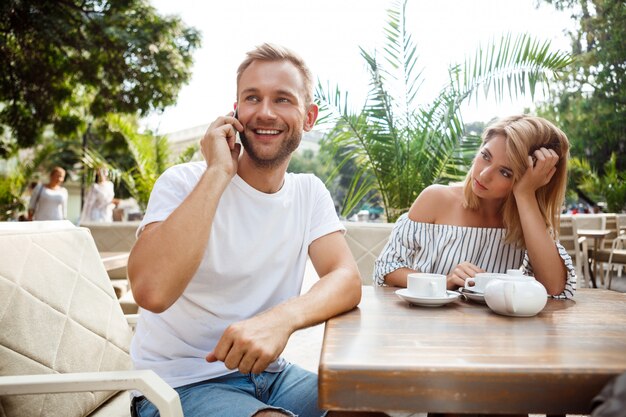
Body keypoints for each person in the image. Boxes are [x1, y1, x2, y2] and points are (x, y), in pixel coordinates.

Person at [127, 44, 377, 417]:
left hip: (272, 377)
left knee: (368, 409)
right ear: (236, 112)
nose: (264, 112)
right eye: (252, 98)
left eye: (282, 99)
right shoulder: (182, 183)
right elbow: (152, 291)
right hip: (176, 385)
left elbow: (345, 278)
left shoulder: (309, 192)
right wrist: (217, 173)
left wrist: (281, 320)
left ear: (308, 117)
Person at [374, 115, 576, 299]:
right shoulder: (436, 198)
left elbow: (554, 287)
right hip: (430, 327)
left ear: (529, 178)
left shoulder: (527, 218)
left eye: (505, 172)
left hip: (499, 333)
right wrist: (446, 280)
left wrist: (524, 194)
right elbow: (388, 268)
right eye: (485, 156)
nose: (484, 174)